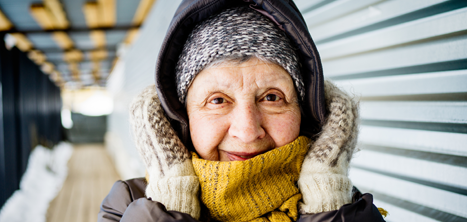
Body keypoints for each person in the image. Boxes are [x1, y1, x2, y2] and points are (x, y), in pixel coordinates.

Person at [98, 0, 386, 221]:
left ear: (305, 109)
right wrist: (171, 205)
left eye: (272, 97)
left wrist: (327, 205)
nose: (247, 131)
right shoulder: (130, 205)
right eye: (218, 100)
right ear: (182, 115)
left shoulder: (344, 207)